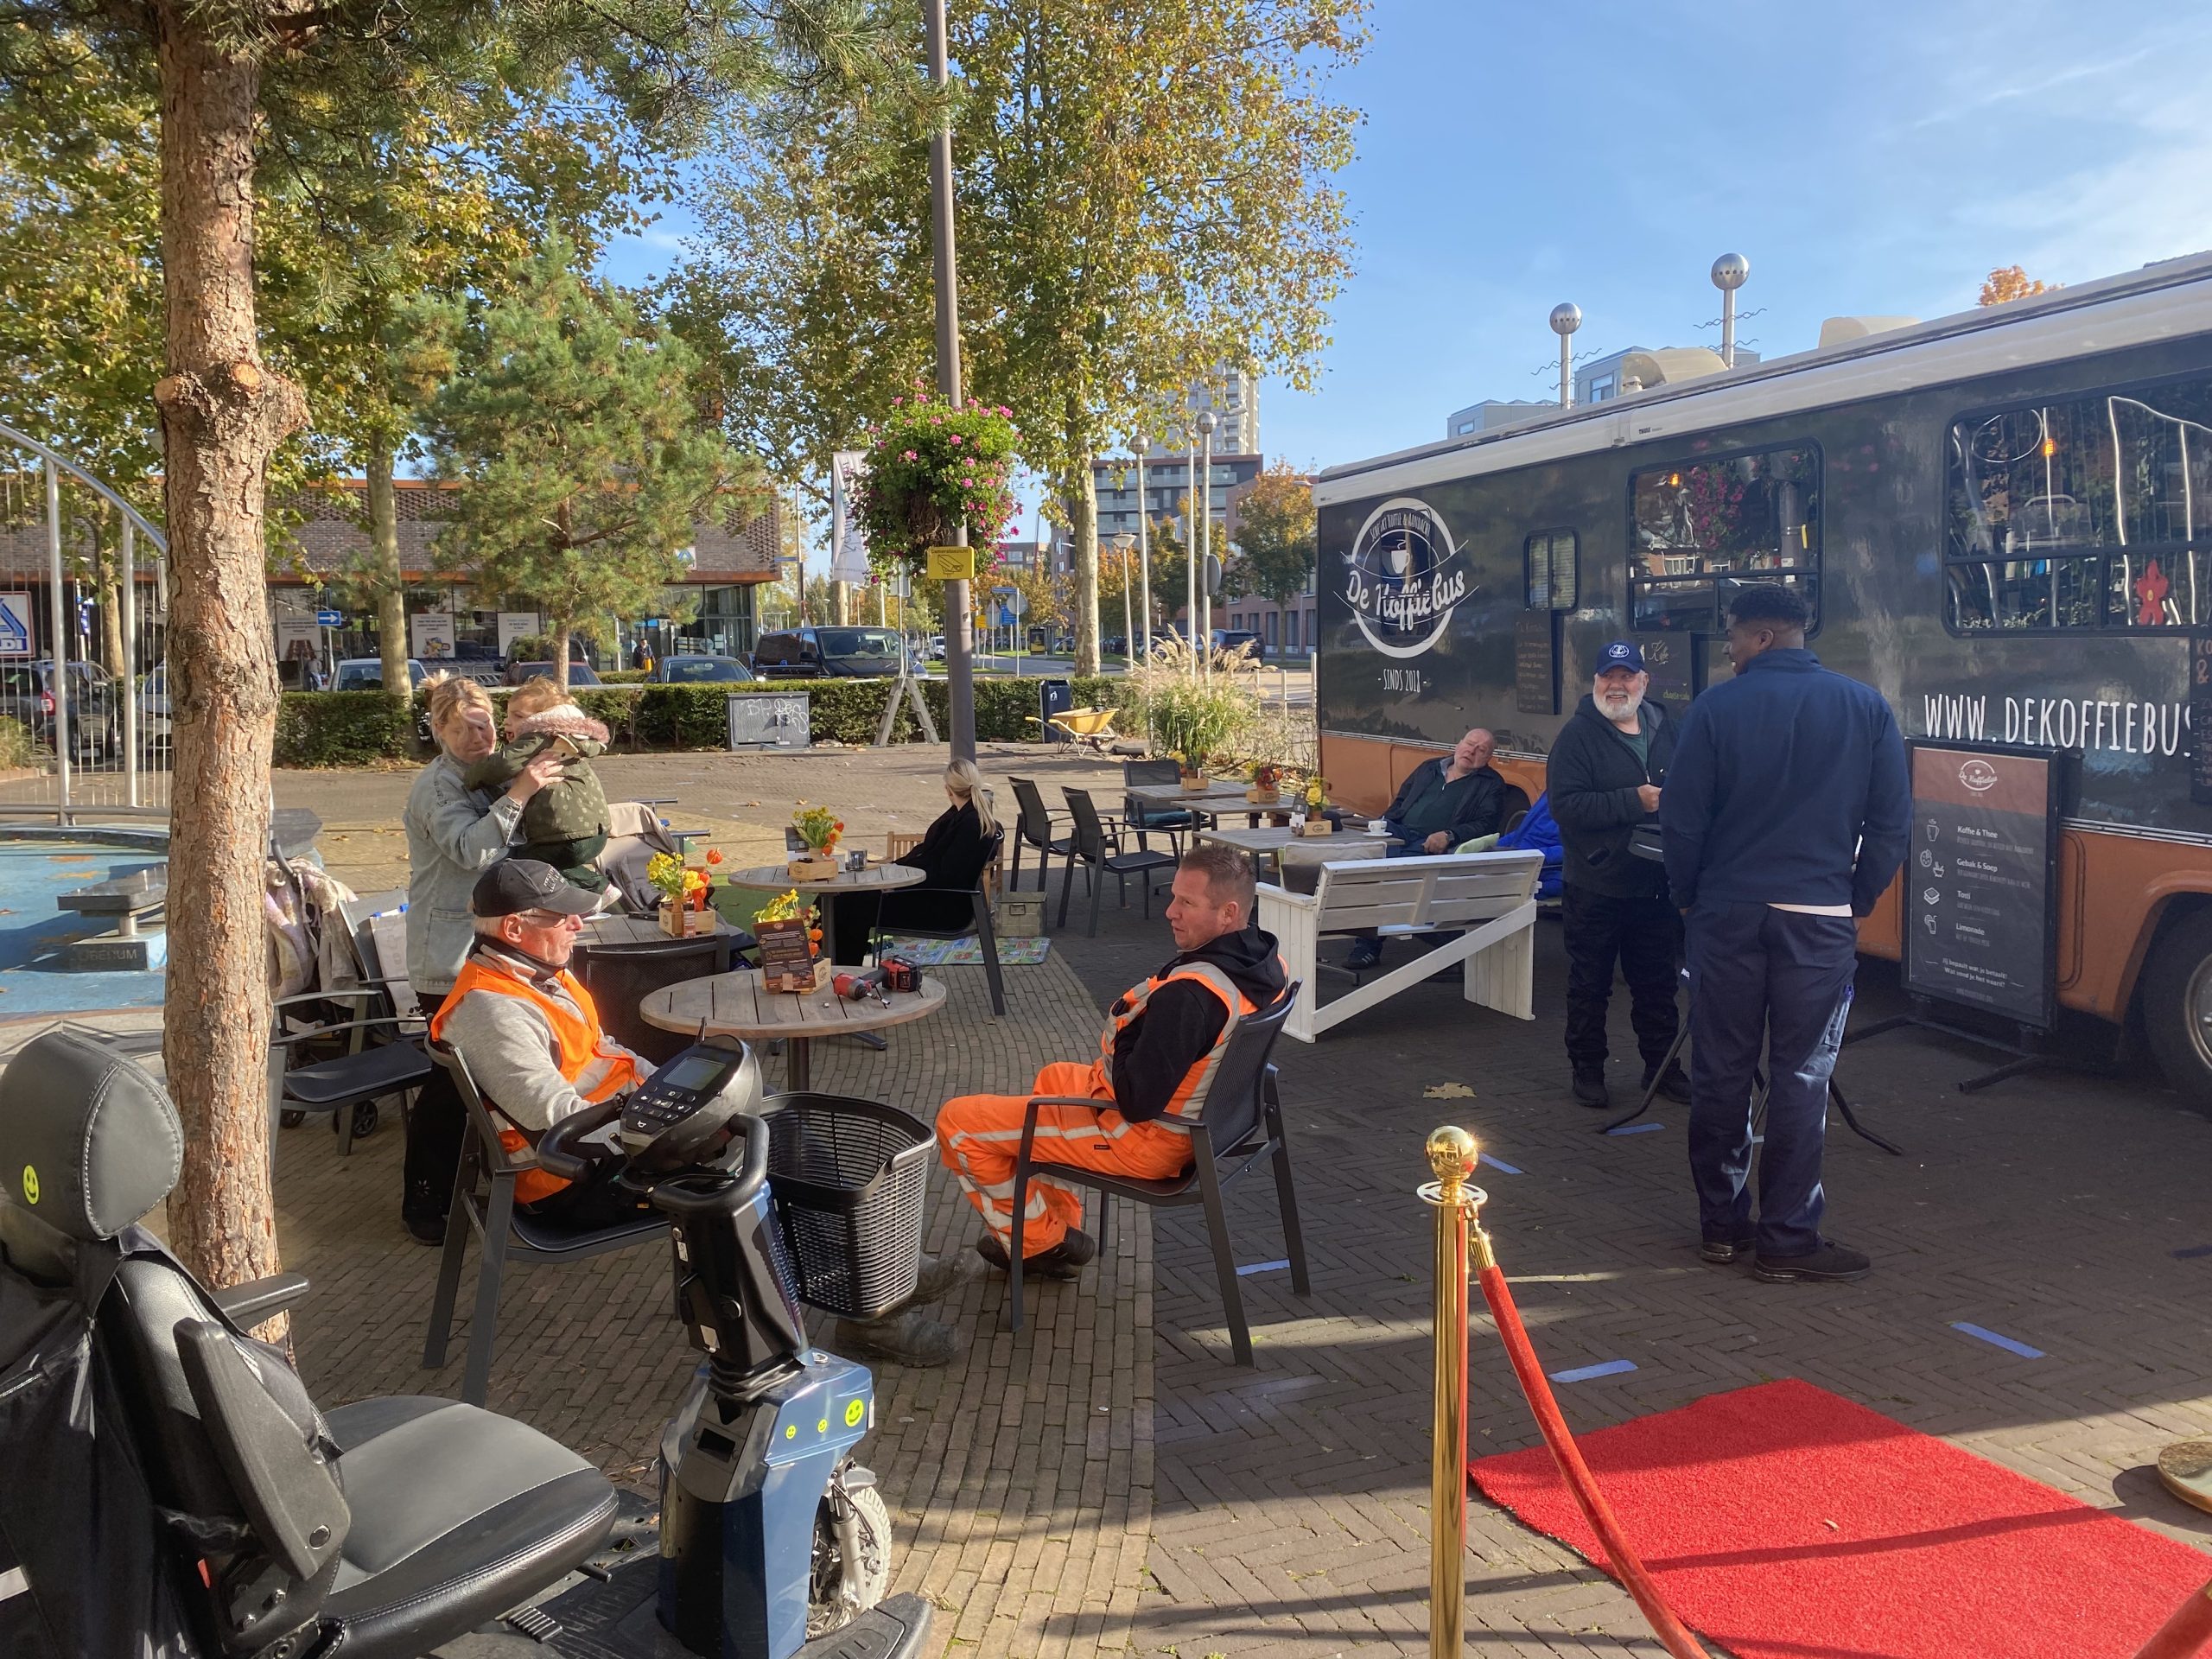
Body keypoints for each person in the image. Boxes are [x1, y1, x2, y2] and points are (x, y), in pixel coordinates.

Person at [434, 860, 959, 1364]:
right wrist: (677, 1129)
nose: (578, 924)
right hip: (581, 1179)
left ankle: (884, 1274)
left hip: (626, 1142)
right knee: (771, 1154)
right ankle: (875, 1311)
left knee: (778, 1115)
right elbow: (558, 1124)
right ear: (514, 928)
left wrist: (676, 1094)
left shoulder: (537, 974)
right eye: (561, 916)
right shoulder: (492, 1009)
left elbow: (607, 1051)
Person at [1661, 586, 1907, 1283]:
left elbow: (1682, 820)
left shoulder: (1714, 709)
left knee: (1721, 1070)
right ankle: (1789, 1239)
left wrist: (1688, 899)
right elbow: (1891, 824)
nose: (1729, 648)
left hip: (1727, 914)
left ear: (1762, 637)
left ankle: (1722, 1227)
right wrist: (1854, 899)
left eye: (1734, 637)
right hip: (1818, 919)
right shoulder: (1865, 708)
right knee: (1801, 1076)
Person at [938, 844, 1287, 1276]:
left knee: (959, 1125)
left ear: (1228, 913)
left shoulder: (1190, 996)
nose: (1170, 912)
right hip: (1211, 1123)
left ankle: (1038, 1242)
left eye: (1186, 903)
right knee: (1053, 1077)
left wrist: (1128, 1032)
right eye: (1173, 896)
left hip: (1147, 1138)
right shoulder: (1266, 964)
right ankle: (1055, 1232)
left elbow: (1137, 1102)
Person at [398, 674, 562, 1243]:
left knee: (498, 1073)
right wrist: (520, 793)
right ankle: (423, 1202)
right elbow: (473, 851)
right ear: (439, 729)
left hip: (490, 953)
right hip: (446, 958)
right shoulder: (436, 788)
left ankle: (509, 1181)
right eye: (466, 727)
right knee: (454, 1084)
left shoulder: (484, 777)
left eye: (488, 724)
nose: (481, 735)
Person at [1548, 642, 1688, 1109]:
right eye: (1608, 677)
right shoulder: (1577, 737)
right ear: (1595, 683)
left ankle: (1664, 1068)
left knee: (1658, 984)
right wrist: (1636, 800)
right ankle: (1587, 1070)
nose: (1617, 685)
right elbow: (1565, 808)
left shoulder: (1669, 728)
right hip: (1596, 884)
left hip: (1656, 884)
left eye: (1627, 677)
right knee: (1590, 984)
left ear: (1644, 682)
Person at [1344, 728, 1506, 970]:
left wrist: (1450, 835)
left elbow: (1486, 824)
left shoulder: (1491, 784)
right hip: (1401, 830)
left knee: (1391, 877)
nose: (1471, 751)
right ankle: (1367, 931)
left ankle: (1368, 945)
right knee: (1365, 852)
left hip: (1434, 843)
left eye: (1480, 749)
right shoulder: (1430, 767)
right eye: (1469, 743)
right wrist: (1383, 824)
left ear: (1488, 758)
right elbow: (1401, 802)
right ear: (1458, 743)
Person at [830, 760, 995, 963]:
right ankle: (833, 966)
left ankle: (842, 970)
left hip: (942, 907)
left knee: (856, 904)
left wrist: (897, 882)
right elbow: (927, 855)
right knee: (842, 899)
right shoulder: (963, 815)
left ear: (948, 790)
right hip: (932, 896)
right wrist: (892, 869)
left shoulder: (970, 823)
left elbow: (945, 875)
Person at [464, 676, 613, 891]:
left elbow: (503, 764)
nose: (508, 722)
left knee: (523, 863)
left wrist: (471, 777)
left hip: (563, 834)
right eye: (508, 715)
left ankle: (594, 888)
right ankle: (598, 889)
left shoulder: (539, 736)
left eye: (517, 716)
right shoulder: (571, 739)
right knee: (553, 864)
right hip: (596, 833)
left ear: (542, 718)